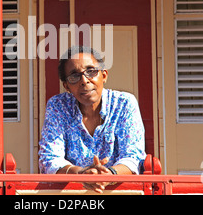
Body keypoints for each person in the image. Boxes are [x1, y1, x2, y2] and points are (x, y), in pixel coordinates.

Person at [38, 45, 146, 193]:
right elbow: (49, 160)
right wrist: (82, 175)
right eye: (74, 76)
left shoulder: (124, 103)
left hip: (118, 191)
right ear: (66, 86)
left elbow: (133, 157)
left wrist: (108, 175)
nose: (84, 80)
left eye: (91, 71)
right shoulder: (58, 106)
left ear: (104, 75)